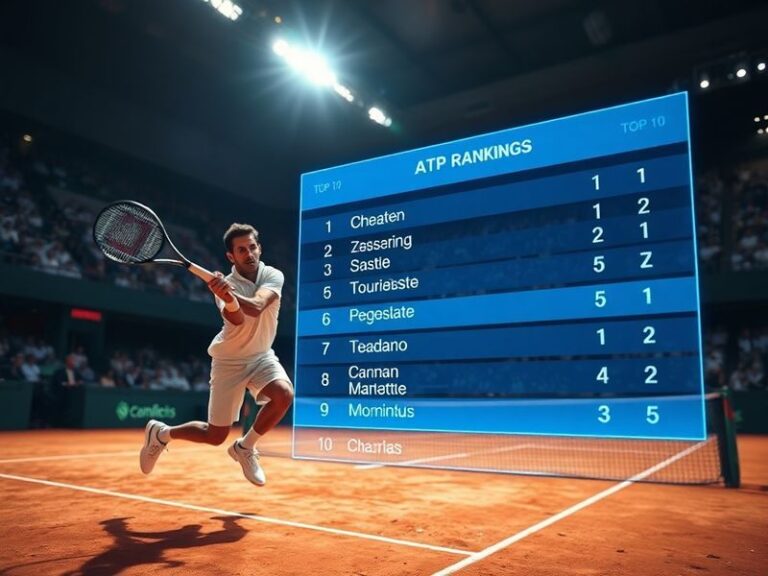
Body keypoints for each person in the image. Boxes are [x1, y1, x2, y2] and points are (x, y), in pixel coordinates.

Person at [139, 223, 294, 486]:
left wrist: (227, 291)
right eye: (241, 250)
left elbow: (257, 306)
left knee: (284, 394)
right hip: (229, 362)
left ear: (260, 248)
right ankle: (161, 434)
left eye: (252, 247)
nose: (249, 253)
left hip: (261, 356)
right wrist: (226, 294)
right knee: (215, 436)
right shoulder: (225, 285)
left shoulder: (272, 275)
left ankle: (245, 447)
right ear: (231, 256)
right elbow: (237, 318)